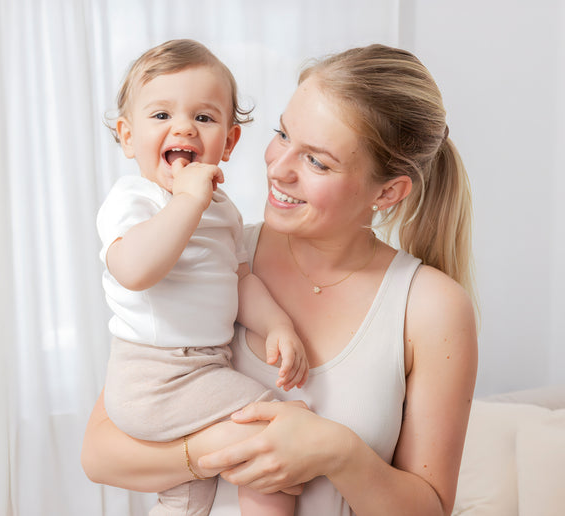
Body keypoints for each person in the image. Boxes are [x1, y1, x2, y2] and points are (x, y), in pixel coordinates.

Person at [83, 42, 478, 516]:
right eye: (283, 134)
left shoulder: (431, 307)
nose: (279, 168)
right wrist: (222, 447)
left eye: (317, 161)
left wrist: (337, 451)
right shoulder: (205, 253)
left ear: (388, 191)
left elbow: (429, 508)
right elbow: (99, 454)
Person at [96, 39, 309, 516]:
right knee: (276, 430)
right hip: (154, 374)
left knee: (186, 494)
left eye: (204, 118)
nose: (184, 128)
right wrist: (186, 203)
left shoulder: (223, 211)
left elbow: (240, 281)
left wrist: (277, 325)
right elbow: (134, 271)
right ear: (128, 137)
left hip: (205, 368)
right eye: (161, 116)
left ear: (228, 143)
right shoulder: (134, 200)